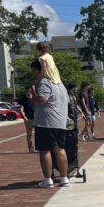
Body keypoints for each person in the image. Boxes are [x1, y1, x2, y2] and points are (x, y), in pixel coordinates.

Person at [31, 58, 70, 187]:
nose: (34, 74)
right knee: (60, 149)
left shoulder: (45, 82)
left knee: (45, 150)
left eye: (34, 71)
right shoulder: (61, 85)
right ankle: (64, 178)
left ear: (41, 70)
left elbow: (42, 100)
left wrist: (33, 92)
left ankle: (47, 180)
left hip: (46, 123)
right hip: (60, 122)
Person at [19, 86, 36, 152]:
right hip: (28, 119)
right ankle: (30, 147)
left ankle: (38, 147)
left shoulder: (35, 98)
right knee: (29, 134)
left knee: (38, 134)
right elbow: (21, 109)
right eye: (27, 91)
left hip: (37, 119)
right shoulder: (23, 99)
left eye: (30, 91)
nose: (28, 92)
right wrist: (24, 117)